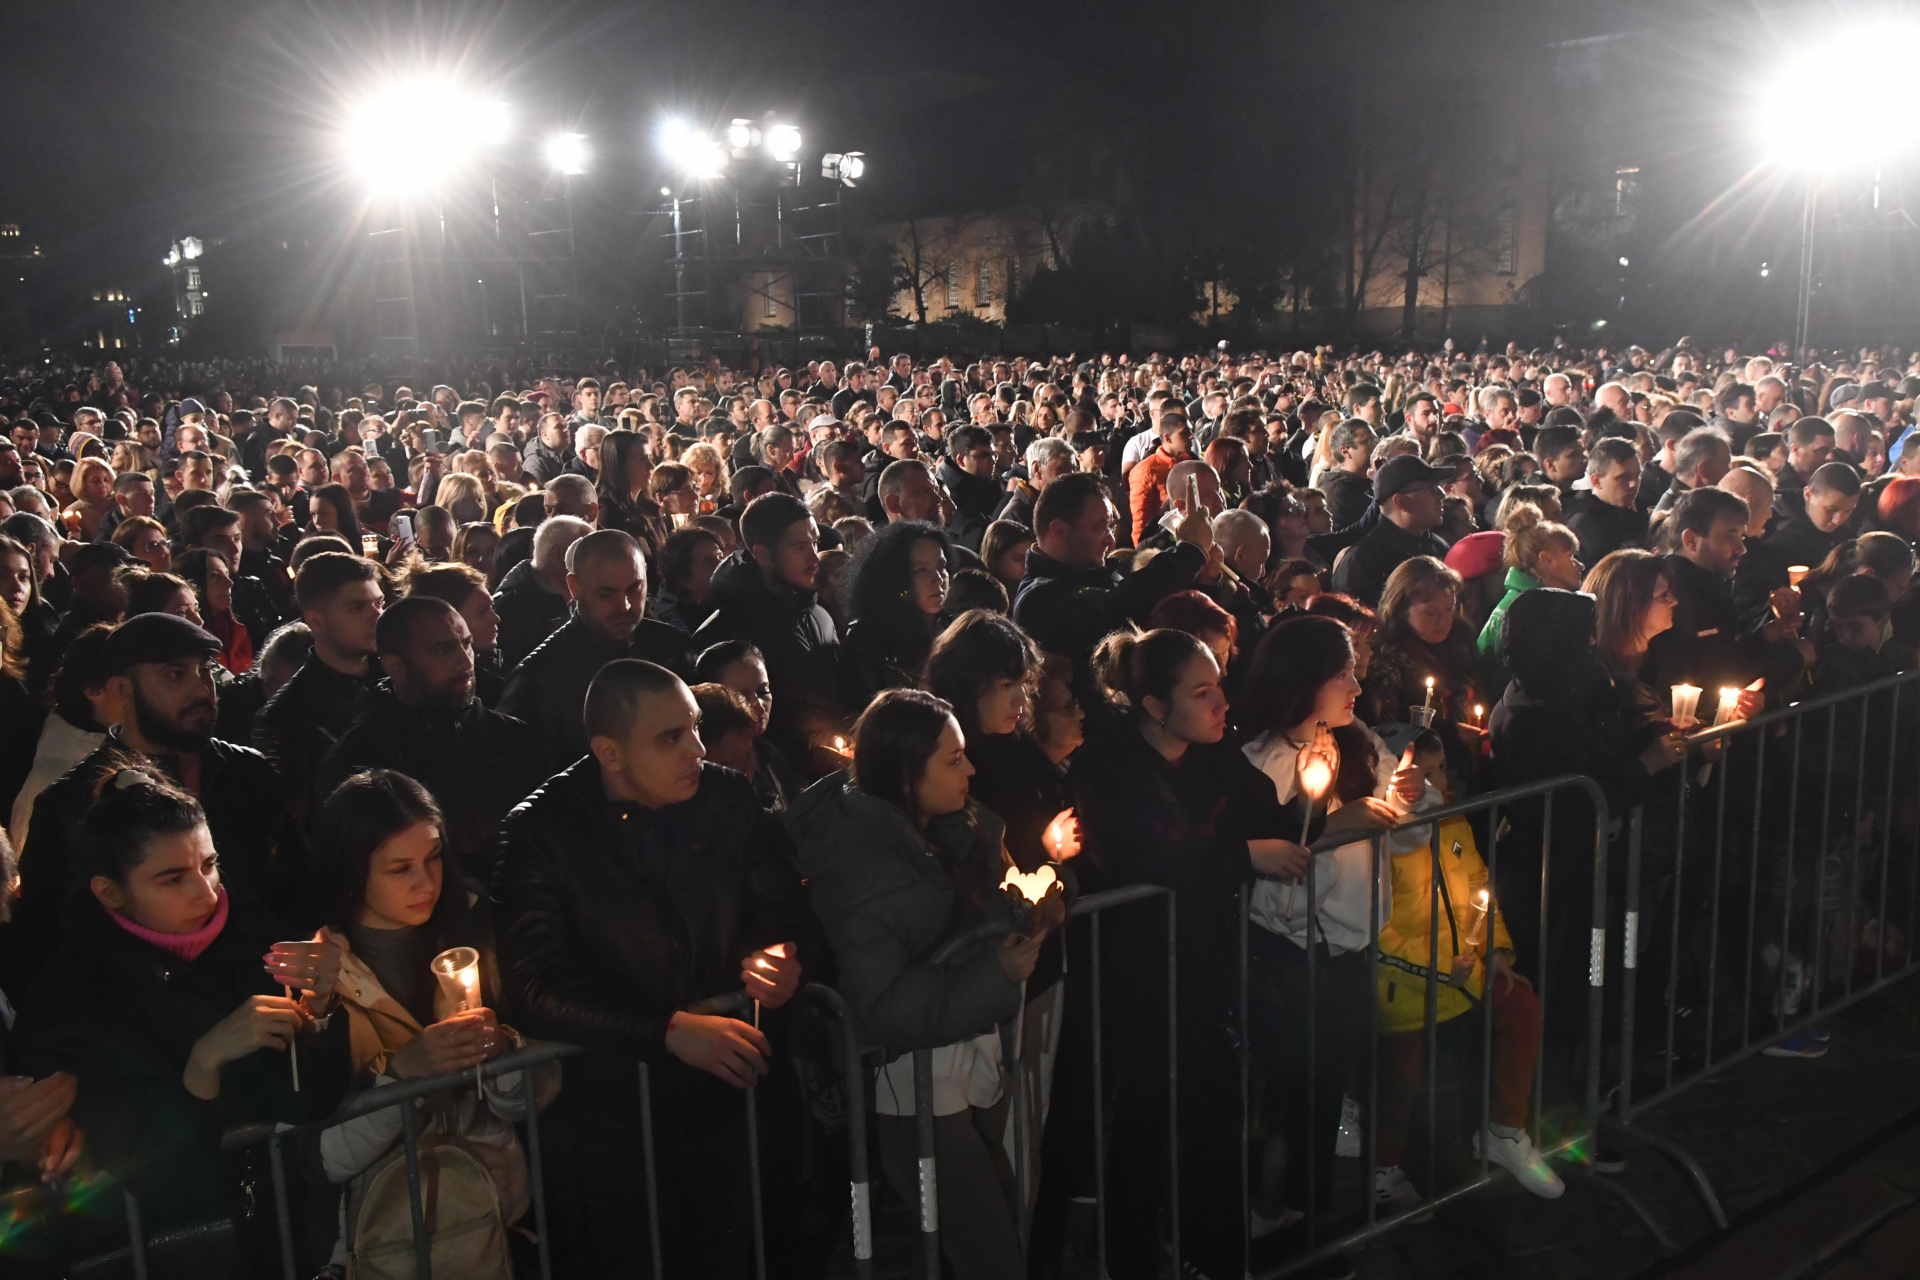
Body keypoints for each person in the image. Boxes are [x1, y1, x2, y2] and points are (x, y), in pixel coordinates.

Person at [493, 660, 809, 1278]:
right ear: (609, 752)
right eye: (671, 738)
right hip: (614, 1123)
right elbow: (533, 985)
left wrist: (787, 960)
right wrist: (666, 1030)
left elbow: (787, 910)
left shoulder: (729, 798)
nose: (696, 749)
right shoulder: (543, 832)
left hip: (735, 1099)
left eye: (694, 727)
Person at [14, 769, 349, 1270]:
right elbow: (146, 1175)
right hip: (173, 1255)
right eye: (173, 878)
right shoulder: (70, 1004)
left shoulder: (255, 937)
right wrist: (201, 1066)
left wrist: (319, 1011)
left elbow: (312, 1101)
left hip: (283, 1233)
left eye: (210, 865)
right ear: (109, 892)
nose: (207, 894)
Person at [1069, 627, 1316, 1279]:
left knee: (1216, 1122)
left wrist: (1318, 817)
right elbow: (1135, 852)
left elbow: (1265, 817)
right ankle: (1132, 1257)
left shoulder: (1216, 756)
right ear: (1155, 706)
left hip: (1207, 965)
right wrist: (1240, 857)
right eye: (1201, 692)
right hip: (1138, 972)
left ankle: (1214, 1256)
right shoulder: (1108, 764)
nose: (1221, 704)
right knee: (1143, 1125)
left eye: (1220, 687)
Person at [792, 688, 1051, 1280]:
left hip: (962, 1067)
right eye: (954, 759)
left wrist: (1042, 900)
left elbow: (1004, 898)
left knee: (988, 1234)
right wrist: (996, 973)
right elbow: (879, 1005)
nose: (972, 768)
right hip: (915, 1090)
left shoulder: (956, 825)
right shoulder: (865, 867)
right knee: (989, 1252)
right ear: (908, 775)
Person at [306, 770, 558, 1278]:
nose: (426, 882)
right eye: (400, 869)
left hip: (490, 1216)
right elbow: (324, 1156)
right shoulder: (319, 973)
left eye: (434, 857)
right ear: (353, 871)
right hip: (385, 1236)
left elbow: (534, 1096)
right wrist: (404, 1075)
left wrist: (501, 1049)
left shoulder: (474, 929)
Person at [1238, 614, 1426, 1231]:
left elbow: (1403, 838)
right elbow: (1272, 886)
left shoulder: (1356, 742)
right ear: (1304, 680)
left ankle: (1306, 1215)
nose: (1356, 687)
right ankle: (1279, 1218)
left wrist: (1411, 801)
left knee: (1324, 1093)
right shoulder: (1260, 765)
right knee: (1293, 1100)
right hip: (1294, 961)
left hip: (1350, 952)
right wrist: (1325, 831)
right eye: (1342, 674)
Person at [14, 614, 292, 983]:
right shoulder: (71, 803)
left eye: (205, 671)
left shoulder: (249, 773)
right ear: (123, 690)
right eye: (175, 674)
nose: (202, 690)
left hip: (256, 989)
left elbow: (290, 889)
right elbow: (42, 943)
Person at [1371, 730, 1563, 1212]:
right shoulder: (1377, 835)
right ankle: (1382, 1171)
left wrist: (1496, 951)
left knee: (1522, 1008)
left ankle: (1504, 1130)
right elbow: (1376, 934)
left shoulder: (1453, 824)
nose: (1424, 782)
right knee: (1400, 1083)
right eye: (1415, 769)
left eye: (1435, 772)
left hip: (1464, 967)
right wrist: (1441, 969)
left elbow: (1478, 883)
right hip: (1403, 986)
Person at [315, 598, 545, 884]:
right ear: (395, 666)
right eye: (442, 650)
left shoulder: (516, 739)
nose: (465, 660)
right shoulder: (358, 764)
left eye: (466, 643)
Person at [1011, 472, 1208, 699]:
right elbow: (1115, 609)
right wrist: (1190, 552)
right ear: (1059, 531)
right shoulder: (1037, 599)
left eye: (1111, 527)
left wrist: (1206, 579)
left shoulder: (1097, 574)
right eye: (1100, 527)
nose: (1111, 540)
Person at [693, 493, 847, 774]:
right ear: (763, 554)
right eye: (800, 547)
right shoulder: (726, 632)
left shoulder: (818, 610)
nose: (815, 557)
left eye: (814, 542)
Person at [253, 553, 383, 824]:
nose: (377, 616)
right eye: (357, 607)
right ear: (316, 620)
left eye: (379, 603)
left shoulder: (406, 679)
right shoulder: (286, 716)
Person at [8, 625, 117, 853]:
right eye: (128, 681)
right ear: (94, 691)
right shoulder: (55, 775)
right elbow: (29, 871)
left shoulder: (125, 741)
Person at [842, 520, 955, 706]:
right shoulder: (869, 641)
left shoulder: (954, 630)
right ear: (896, 577)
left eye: (942, 566)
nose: (938, 579)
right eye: (922, 570)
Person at [1476, 505, 1583, 689]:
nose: (1580, 565)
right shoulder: (1525, 613)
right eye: (1571, 556)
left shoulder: (1533, 602)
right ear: (1546, 559)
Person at [1329, 454, 1454, 606]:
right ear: (1401, 502)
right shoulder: (1362, 563)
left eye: (1438, 486)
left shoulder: (1437, 545)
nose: (1441, 494)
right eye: (1431, 488)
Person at [494, 515, 590, 669]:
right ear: (558, 554)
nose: (595, 561)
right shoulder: (512, 609)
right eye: (586, 553)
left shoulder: (574, 598)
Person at [1564, 436, 1649, 565]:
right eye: (1623, 477)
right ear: (1597, 481)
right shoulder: (1585, 524)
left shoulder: (1635, 508)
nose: (1634, 484)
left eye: (1638, 475)